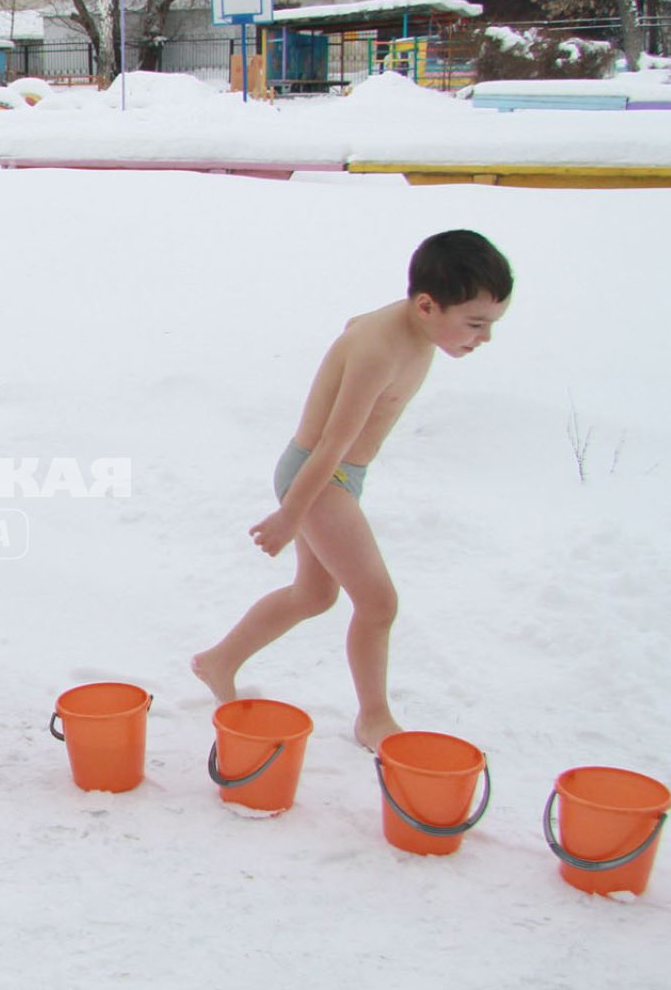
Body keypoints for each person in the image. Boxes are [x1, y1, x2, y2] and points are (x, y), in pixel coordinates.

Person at [192, 230, 514, 750]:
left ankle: (218, 661)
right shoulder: (378, 350)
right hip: (320, 476)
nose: (484, 337)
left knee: (314, 595)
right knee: (379, 604)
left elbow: (353, 325)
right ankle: (374, 717)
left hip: (338, 475)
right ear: (427, 305)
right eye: (475, 324)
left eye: (491, 324)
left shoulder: (411, 326)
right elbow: (331, 443)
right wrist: (291, 514)